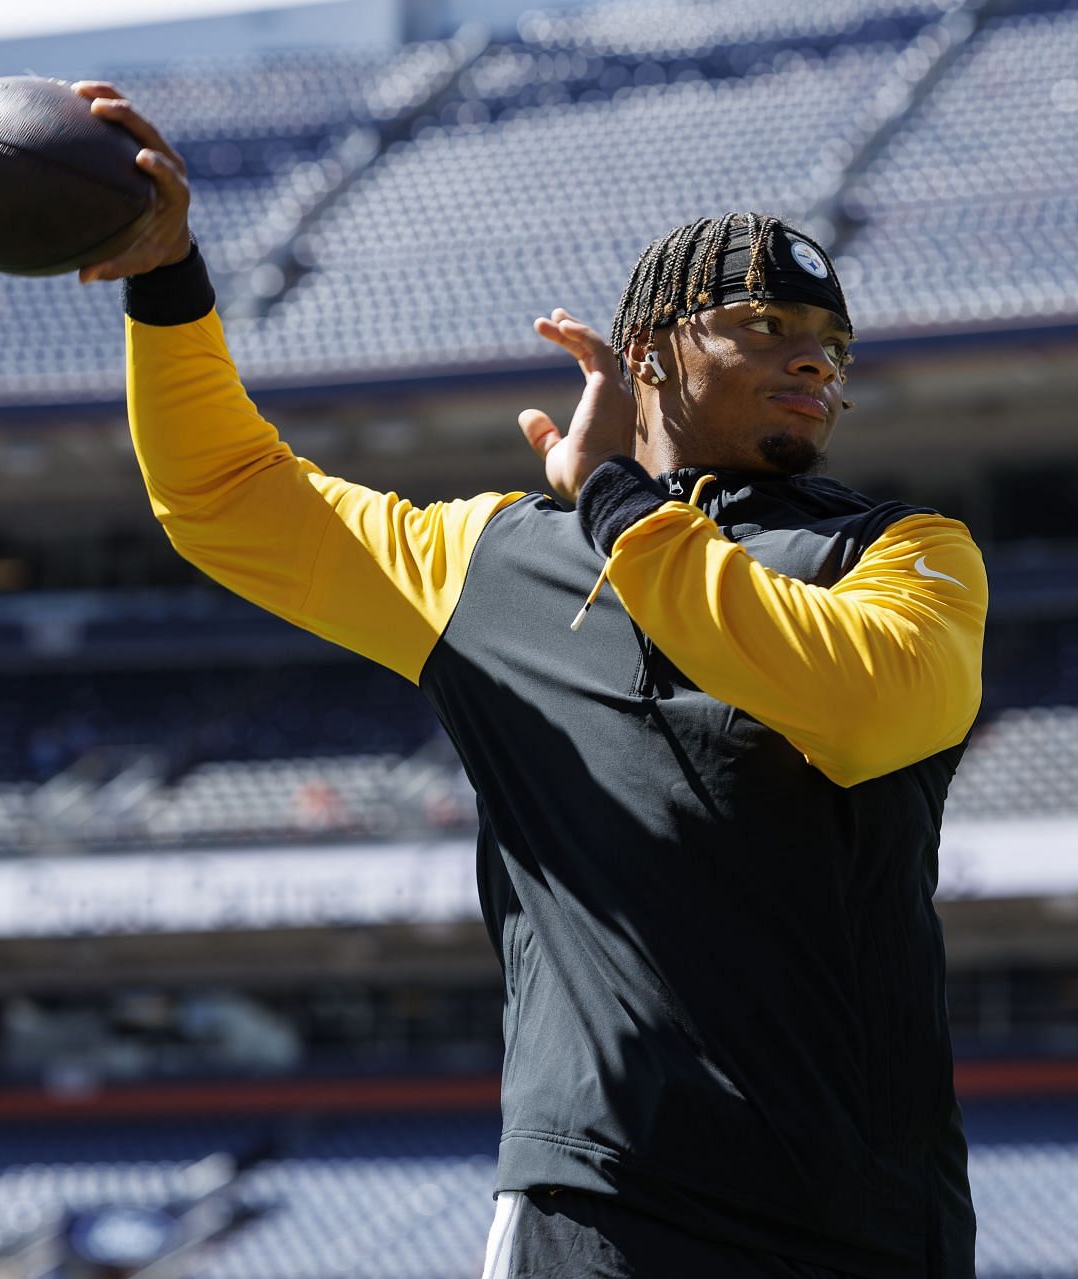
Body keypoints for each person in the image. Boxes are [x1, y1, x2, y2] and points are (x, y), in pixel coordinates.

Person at [72, 79, 986, 1279]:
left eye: (828, 345)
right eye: (765, 327)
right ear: (651, 355)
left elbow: (865, 706)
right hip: (601, 1203)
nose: (811, 361)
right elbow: (227, 497)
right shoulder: (491, 559)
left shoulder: (901, 549)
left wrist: (615, 502)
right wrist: (168, 278)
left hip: (866, 1216)